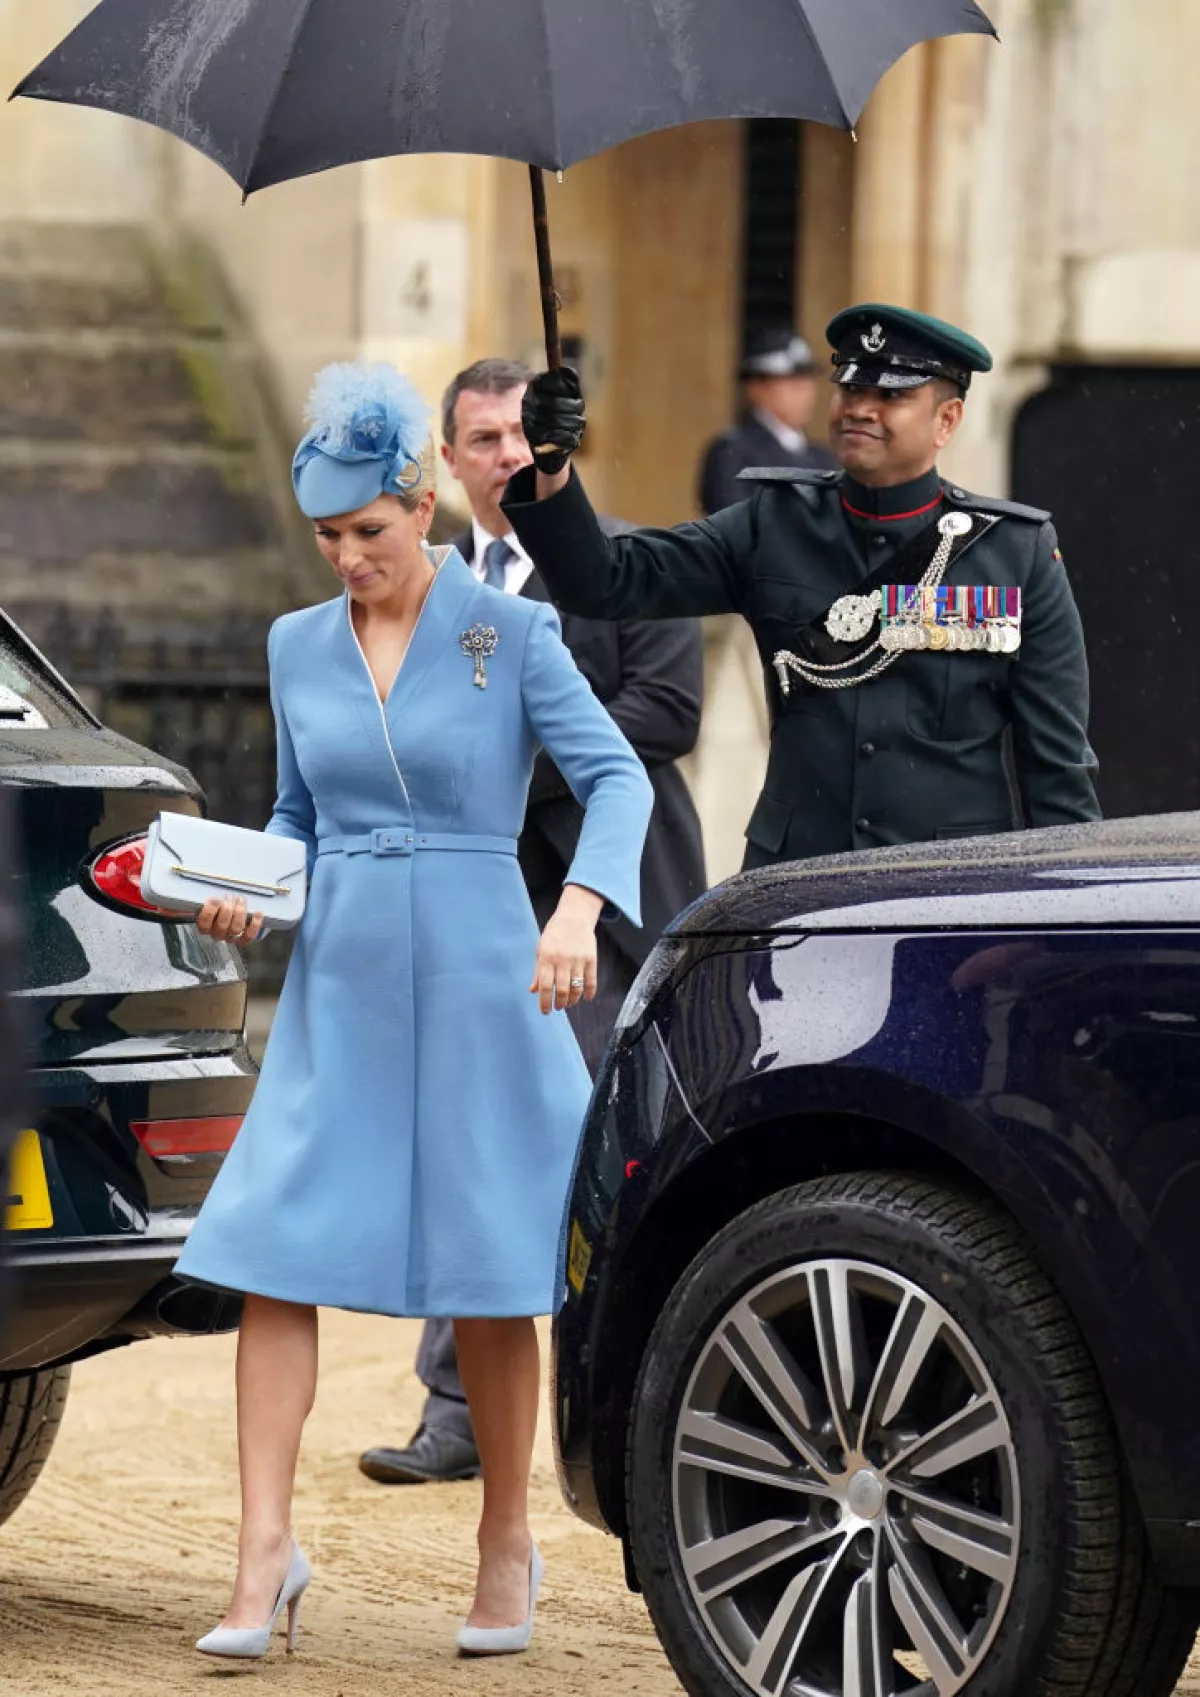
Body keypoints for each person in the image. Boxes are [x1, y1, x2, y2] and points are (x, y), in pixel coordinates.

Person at [173, 362, 653, 1661]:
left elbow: (617, 785)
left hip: (485, 964)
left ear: (424, 502)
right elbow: (296, 819)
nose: (347, 560)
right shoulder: (294, 645)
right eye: (326, 538)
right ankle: (264, 1552)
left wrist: (577, 913)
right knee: (272, 1252)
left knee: (494, 1270)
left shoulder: (514, 635)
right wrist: (252, 894)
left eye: (369, 534)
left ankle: (508, 1538)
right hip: (342, 977)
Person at [358, 357, 706, 1489]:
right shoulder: (422, 586)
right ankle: (456, 1410)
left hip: (600, 910)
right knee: (465, 1140)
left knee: (604, 1152)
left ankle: (631, 1408)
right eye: (483, 439)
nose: (506, 455)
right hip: (469, 911)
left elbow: (667, 709)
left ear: (552, 444)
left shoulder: (621, 561)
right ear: (448, 464)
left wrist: (509, 761)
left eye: (521, 434)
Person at [508, 303, 1101, 868]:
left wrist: (1059, 925)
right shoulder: (772, 522)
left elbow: (1057, 768)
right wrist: (554, 464)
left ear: (947, 419)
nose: (860, 409)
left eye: (890, 395)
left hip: (946, 893)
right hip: (797, 884)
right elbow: (604, 582)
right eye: (850, 388)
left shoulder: (1016, 553)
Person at [698, 327, 837, 515]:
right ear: (756, 388)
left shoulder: (822, 457)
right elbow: (733, 524)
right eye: (793, 383)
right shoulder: (733, 451)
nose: (806, 392)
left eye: (807, 381)